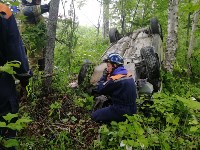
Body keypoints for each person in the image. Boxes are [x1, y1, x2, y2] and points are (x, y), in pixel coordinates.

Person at [0, 3, 32, 149]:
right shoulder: (3, 11)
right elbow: (14, 48)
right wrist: (24, 76)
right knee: (7, 124)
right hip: (1, 80)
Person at [91, 53, 137, 123]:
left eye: (108, 66)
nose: (107, 68)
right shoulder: (128, 74)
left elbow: (100, 89)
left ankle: (111, 122)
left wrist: (104, 76)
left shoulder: (115, 79)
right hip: (133, 109)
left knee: (94, 116)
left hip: (120, 110)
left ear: (115, 65)